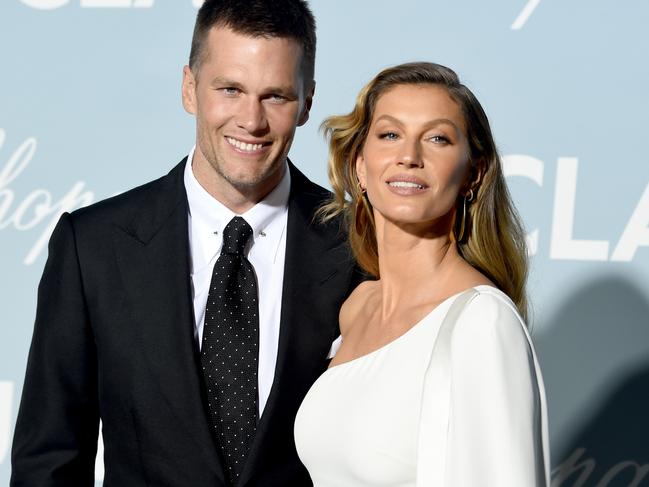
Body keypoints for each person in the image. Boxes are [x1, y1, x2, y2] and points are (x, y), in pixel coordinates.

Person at [11, 1, 360, 486]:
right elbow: (47, 461)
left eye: (275, 96)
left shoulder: (360, 244)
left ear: (307, 104)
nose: (251, 120)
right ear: (190, 89)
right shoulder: (91, 245)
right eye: (230, 89)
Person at [294, 62, 550, 486]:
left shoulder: (482, 323)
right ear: (360, 165)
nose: (409, 157)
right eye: (390, 134)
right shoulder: (357, 308)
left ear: (473, 172)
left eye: (438, 139)